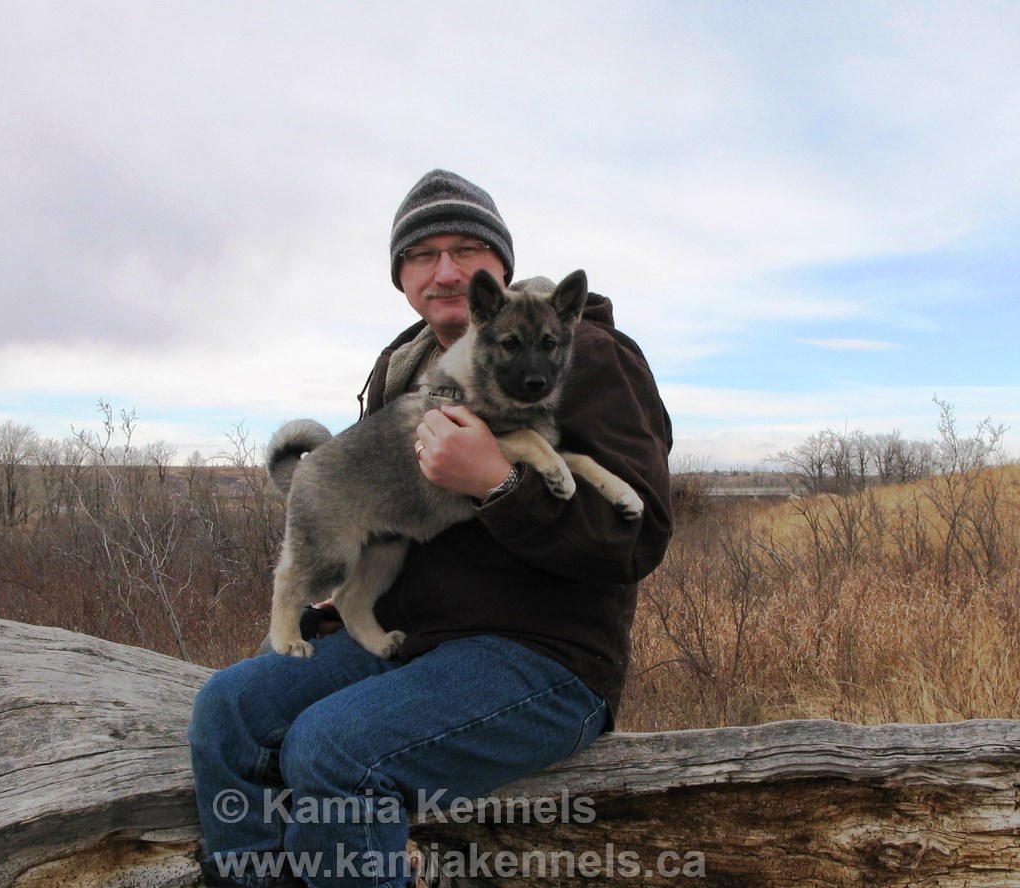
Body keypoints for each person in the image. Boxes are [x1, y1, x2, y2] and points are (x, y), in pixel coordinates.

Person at [188, 169, 673, 888]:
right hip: (415, 642)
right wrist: (340, 596)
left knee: (332, 750)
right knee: (227, 708)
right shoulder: (405, 367)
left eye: (466, 249)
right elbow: (392, 515)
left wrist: (499, 484)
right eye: (422, 255)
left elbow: (639, 538)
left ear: (498, 269)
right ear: (402, 277)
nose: (444, 270)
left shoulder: (587, 353)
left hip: (543, 658)